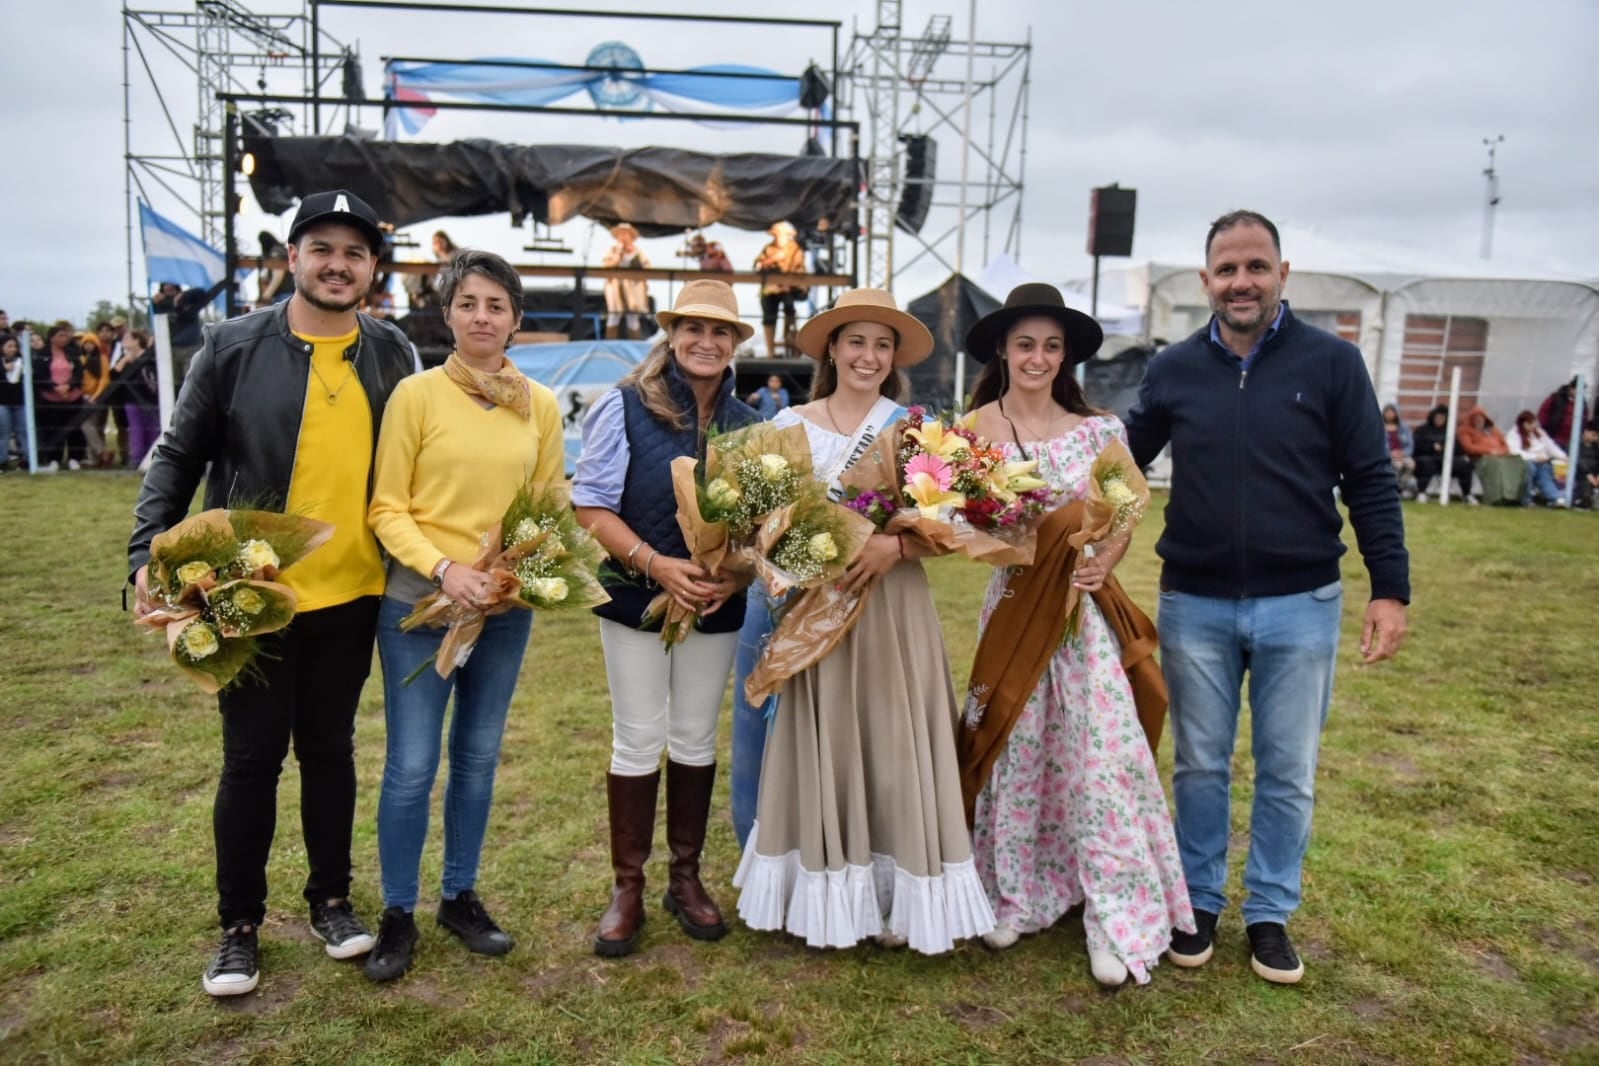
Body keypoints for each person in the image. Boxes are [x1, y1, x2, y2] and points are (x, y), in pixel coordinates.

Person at [129, 189, 418, 998]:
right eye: (320, 247)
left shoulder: (392, 350)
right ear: (291, 258)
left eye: (354, 252)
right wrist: (141, 553)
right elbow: (177, 457)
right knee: (250, 760)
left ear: (372, 268)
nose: (337, 263)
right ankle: (238, 928)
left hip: (354, 596)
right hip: (247, 594)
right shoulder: (231, 344)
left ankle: (330, 898)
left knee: (329, 750)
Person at [1125, 210, 1409, 986]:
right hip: (1196, 602)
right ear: (1205, 281)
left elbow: (1371, 482)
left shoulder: (1333, 364)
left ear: (1282, 273)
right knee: (1199, 766)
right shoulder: (1173, 368)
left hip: (1301, 601)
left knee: (1288, 768)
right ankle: (1199, 901)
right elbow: (1115, 466)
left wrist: (1390, 590)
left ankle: (1270, 913)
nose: (1240, 281)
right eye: (1225, 269)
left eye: (1255, 266)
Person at [732, 287, 997, 956]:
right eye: (856, 341)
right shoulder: (786, 425)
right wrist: (784, 558)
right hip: (815, 609)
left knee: (893, 740)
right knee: (827, 740)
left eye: (882, 345)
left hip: (892, 605)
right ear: (831, 347)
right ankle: (826, 892)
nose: (868, 355)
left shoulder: (916, 426)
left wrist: (895, 545)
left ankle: (894, 898)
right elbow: (755, 526)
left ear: (893, 357)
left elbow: (956, 517)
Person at [958, 283, 1193, 986]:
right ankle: (1013, 894)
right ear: (1002, 349)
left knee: (1098, 757)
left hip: (1081, 617)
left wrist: (1102, 559)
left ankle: (1114, 915)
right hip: (1011, 610)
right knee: (1014, 747)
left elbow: (1124, 511)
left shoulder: (1097, 430)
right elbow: (953, 522)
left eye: (1050, 346)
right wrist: (993, 534)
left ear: (1065, 357)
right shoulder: (969, 430)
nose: (1037, 357)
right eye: (1024, 343)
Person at [363, 249, 564, 982]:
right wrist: (447, 569)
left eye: (497, 306)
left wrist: (512, 577)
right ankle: (395, 911)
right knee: (412, 765)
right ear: (447, 313)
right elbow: (386, 506)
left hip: (502, 611)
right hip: (417, 605)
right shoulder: (414, 397)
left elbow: (547, 506)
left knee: (477, 758)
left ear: (515, 319)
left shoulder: (538, 405)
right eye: (469, 303)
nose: (483, 317)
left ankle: (459, 895)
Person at [572, 279, 758, 958]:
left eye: (720, 332)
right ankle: (627, 887)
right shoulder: (624, 406)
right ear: (672, 335)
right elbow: (589, 505)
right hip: (633, 596)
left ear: (736, 342)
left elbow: (762, 528)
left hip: (714, 603)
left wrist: (730, 570)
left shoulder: (751, 426)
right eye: (693, 329)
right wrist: (657, 564)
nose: (706, 343)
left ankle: (685, 878)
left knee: (694, 737)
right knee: (636, 738)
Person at [33, 321, 86, 470]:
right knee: (53, 428)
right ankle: (53, 459)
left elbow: (79, 372)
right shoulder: (42, 354)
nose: (64, 338)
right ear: (52, 337)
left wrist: (69, 386)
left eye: (66, 335)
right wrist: (55, 387)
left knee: (74, 428)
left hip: (73, 397)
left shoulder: (73, 353)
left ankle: (75, 458)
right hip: (51, 398)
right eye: (60, 335)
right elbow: (39, 376)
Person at [754, 221, 806, 357]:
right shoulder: (768, 249)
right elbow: (757, 266)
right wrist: (770, 260)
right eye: (776, 235)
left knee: (789, 308)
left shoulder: (795, 250)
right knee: (768, 314)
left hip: (790, 290)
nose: (778, 238)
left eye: (781, 235)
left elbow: (800, 271)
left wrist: (789, 285)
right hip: (771, 290)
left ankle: (788, 337)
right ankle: (770, 352)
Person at [1457, 405, 1525, 506]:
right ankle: (1495, 497)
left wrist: (1499, 452)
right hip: (1480, 459)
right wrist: (1489, 451)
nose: (1479, 420)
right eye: (1476, 418)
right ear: (1472, 419)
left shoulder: (1493, 430)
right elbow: (1469, 448)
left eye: (1481, 418)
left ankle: (1514, 496)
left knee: (1518, 463)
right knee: (1496, 465)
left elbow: (1505, 446)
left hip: (1500, 457)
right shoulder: (1465, 431)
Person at [115, 329, 162, 468]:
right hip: (131, 401)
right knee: (136, 430)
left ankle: (153, 458)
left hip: (151, 401)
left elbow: (152, 381)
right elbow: (113, 376)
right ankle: (137, 459)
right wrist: (124, 361)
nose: (125, 341)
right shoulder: (124, 359)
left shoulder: (149, 358)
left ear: (137, 340)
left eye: (128, 338)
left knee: (153, 430)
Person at [1411, 404, 1475, 504]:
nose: (1439, 420)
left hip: (1447, 460)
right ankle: (1421, 492)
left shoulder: (1449, 432)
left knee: (1464, 465)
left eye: (1442, 418)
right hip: (1428, 458)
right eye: (1437, 417)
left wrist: (1447, 447)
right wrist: (1431, 447)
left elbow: (1458, 448)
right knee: (1427, 464)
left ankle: (1467, 494)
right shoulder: (1422, 430)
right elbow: (1417, 447)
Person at [1506, 409, 1569, 507]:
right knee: (1530, 469)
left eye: (1534, 423)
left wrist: (1563, 457)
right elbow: (1514, 451)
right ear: (1524, 424)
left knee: (1545, 473)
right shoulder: (1514, 434)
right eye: (1530, 424)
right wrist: (1535, 457)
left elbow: (1550, 446)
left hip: (1541, 462)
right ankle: (1526, 499)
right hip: (1523, 463)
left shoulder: (1539, 433)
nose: (1534, 426)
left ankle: (1555, 498)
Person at [601, 222, 651, 340]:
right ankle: (610, 345)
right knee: (614, 315)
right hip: (616, 288)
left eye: (626, 234)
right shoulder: (612, 250)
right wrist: (618, 256)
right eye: (621, 234)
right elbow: (606, 266)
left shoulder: (638, 252)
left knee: (632, 317)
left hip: (633, 289)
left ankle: (635, 345)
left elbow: (647, 268)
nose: (623, 237)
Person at [0, 333, 26, 466]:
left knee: (23, 431)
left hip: (19, 401)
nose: (12, 349)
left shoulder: (21, 360)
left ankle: (27, 459)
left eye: (15, 346)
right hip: (2, 402)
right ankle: (2, 460)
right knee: (3, 432)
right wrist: (3, 369)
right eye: (9, 346)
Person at [1381, 404, 1417, 498]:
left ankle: (1400, 487)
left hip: (1403, 455)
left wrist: (1403, 453)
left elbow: (1410, 445)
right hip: (1388, 455)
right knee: (1398, 465)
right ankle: (1392, 488)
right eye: (1387, 412)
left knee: (1411, 464)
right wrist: (1391, 454)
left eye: (1392, 412)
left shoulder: (1404, 428)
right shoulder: (1380, 427)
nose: (1389, 414)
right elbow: (1379, 444)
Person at [1538, 378, 1579, 445]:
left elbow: (1584, 418)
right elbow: (1543, 413)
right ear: (1571, 388)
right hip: (1554, 437)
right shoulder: (1556, 398)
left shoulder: (1582, 403)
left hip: (1572, 440)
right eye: (1576, 389)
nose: (1578, 392)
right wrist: (1545, 428)